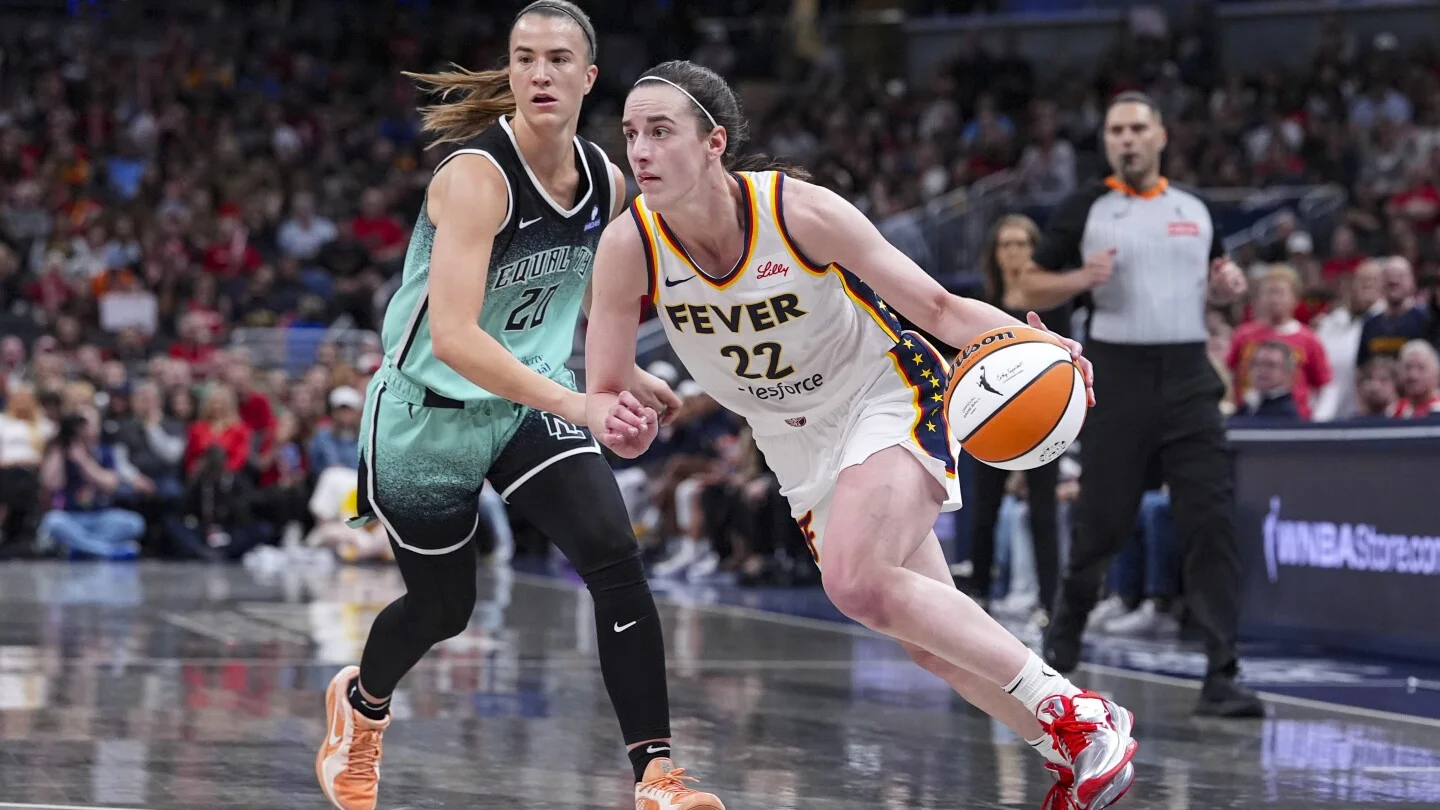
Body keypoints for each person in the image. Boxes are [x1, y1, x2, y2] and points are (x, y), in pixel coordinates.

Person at [584, 59, 1136, 810]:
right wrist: (625, 415)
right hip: (791, 440)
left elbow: (938, 308)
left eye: (660, 132)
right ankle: (1070, 756)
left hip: (883, 394)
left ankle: (1080, 714)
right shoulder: (629, 245)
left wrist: (1043, 346)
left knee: (854, 581)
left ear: (714, 143)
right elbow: (606, 389)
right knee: (926, 640)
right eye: (630, 135)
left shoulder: (800, 213)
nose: (640, 151)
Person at [313, 6, 722, 810]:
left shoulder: (606, 181)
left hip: (525, 402)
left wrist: (622, 373)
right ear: (510, 70)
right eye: (524, 57)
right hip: (428, 415)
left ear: (588, 77)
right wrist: (580, 399)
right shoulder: (476, 178)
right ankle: (360, 707)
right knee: (444, 609)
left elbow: (596, 288)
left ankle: (656, 778)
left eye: (558, 58)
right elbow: (456, 337)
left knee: (614, 555)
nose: (540, 73)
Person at [1012, 91, 1263, 718]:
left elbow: (1219, 281)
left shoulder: (1195, 209)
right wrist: (1079, 279)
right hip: (1118, 373)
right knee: (1101, 524)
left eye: (1136, 128)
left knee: (1209, 520)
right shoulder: (1085, 207)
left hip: (1188, 373)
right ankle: (1061, 648)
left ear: (1160, 136)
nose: (1126, 139)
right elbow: (1027, 286)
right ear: (1106, 142)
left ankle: (1222, 672)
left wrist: (1229, 288)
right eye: (1116, 130)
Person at [966, 214, 1065, 626]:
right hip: (991, 420)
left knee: (1043, 512)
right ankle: (979, 596)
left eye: (1022, 243)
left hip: (1043, 420)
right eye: (1005, 244)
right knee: (983, 510)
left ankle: (1051, 603)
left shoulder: (1054, 303)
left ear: (1034, 249)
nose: (1013, 252)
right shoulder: (981, 301)